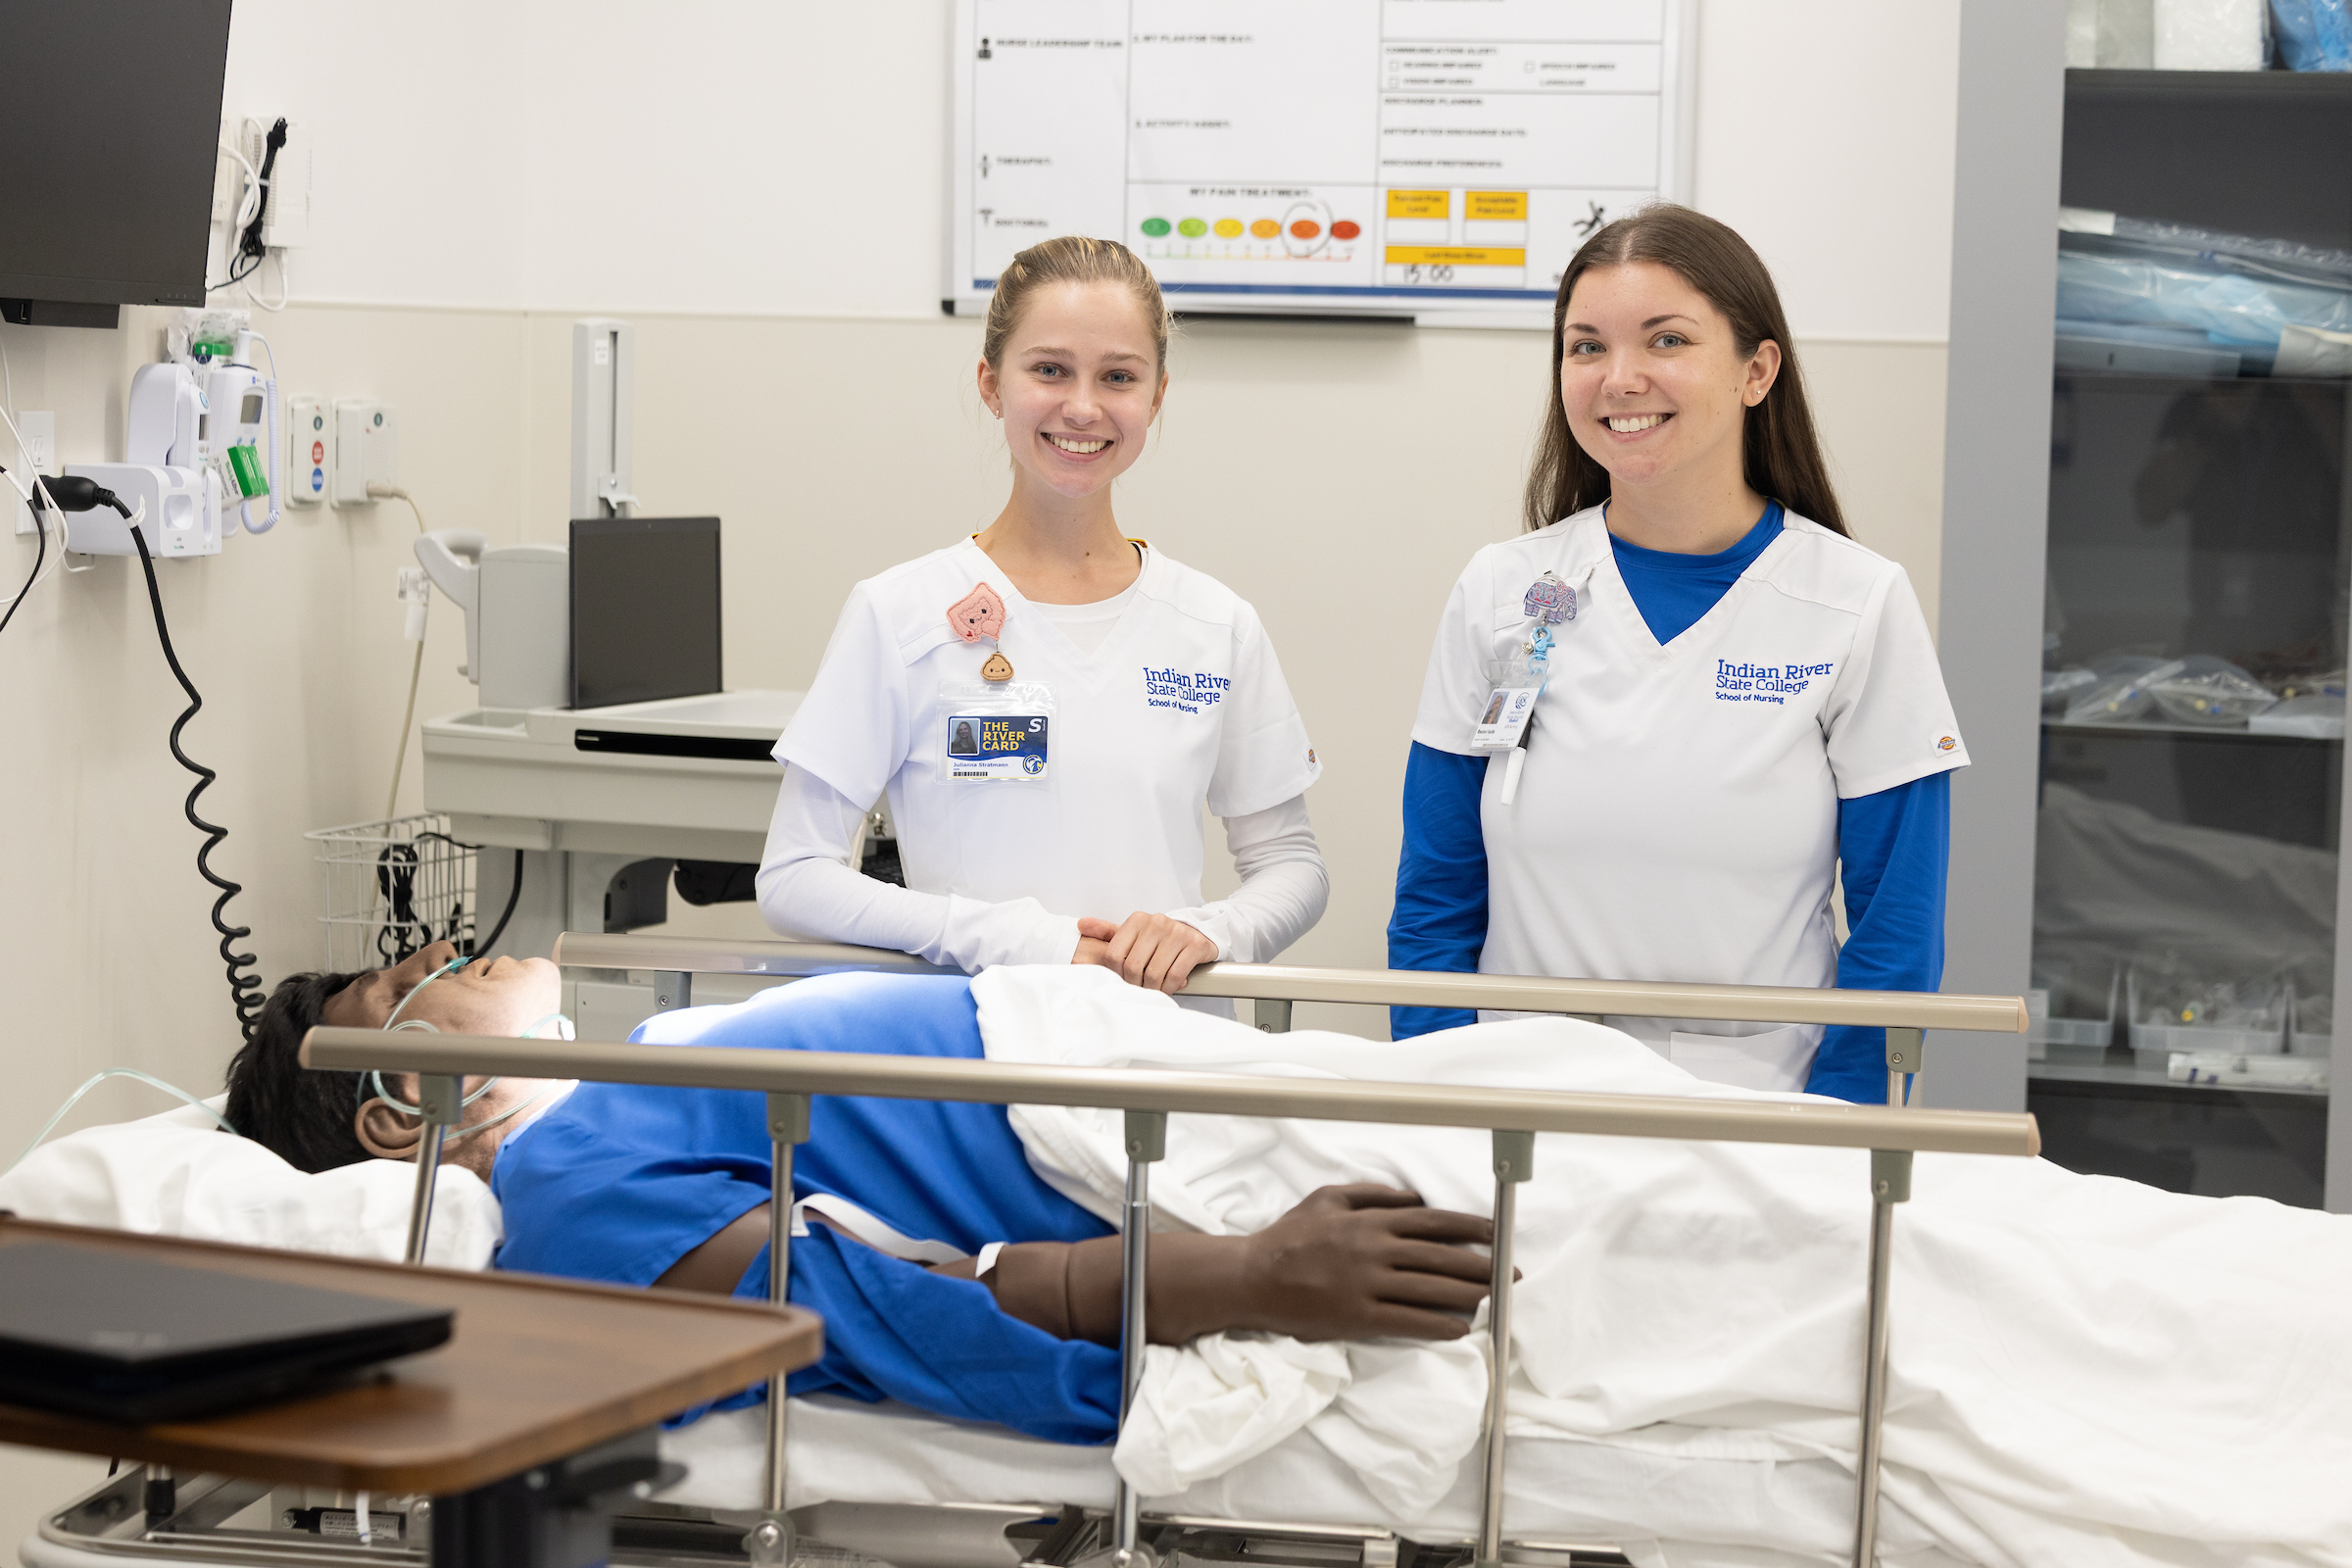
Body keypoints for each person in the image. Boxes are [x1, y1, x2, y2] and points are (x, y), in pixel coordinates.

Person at [224, 947, 1496, 1443]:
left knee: (1574, 1096)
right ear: (399, 1112)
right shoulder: (567, 1192)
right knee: (1615, 1189)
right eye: (408, 980)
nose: (447, 953)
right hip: (1151, 1160)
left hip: (1110, 1063)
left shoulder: (607, 1088)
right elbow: (889, 1299)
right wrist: (1251, 1277)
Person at [1388, 205, 1966, 1101]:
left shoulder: (1854, 603)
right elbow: (1437, 892)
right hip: (1515, 1102)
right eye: (1585, 347)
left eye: (1666, 340)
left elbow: (1898, 917)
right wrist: (1435, 1097)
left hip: (1760, 1107)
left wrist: (1842, 1128)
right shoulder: (1507, 591)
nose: (1620, 379)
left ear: (1756, 371)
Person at [759, 236, 1327, 1002]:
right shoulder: (901, 612)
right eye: (1050, 369)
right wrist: (1020, 941)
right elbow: (795, 876)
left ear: (1156, 397)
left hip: (1166, 1056)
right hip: (978, 1045)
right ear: (993, 384)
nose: (1083, 407)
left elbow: (1291, 863)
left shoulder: (1213, 623)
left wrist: (1212, 929)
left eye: (1118, 377)